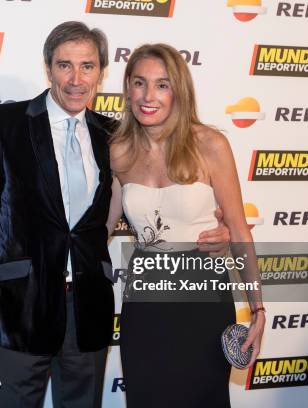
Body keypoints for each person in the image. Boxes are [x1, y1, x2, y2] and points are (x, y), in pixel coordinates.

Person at [0, 23, 230, 407]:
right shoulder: (6, 124)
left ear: (101, 72)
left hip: (88, 314)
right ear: (48, 68)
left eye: (87, 66)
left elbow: (157, 202)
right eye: (65, 65)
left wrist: (219, 231)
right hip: (18, 313)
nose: (76, 78)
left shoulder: (115, 138)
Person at [106, 43, 265, 407]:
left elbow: (239, 231)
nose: (149, 96)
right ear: (127, 87)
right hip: (145, 300)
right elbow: (99, 230)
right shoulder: (118, 151)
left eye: (162, 85)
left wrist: (258, 309)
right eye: (140, 83)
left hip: (203, 296)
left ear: (179, 90)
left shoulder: (210, 145)